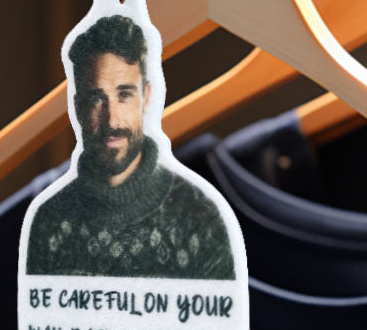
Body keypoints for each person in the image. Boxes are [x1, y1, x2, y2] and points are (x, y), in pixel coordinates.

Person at [26, 15, 234, 279]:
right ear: (78, 107)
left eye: (124, 95)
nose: (112, 120)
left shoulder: (198, 217)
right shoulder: (48, 221)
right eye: (96, 99)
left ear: (146, 97)